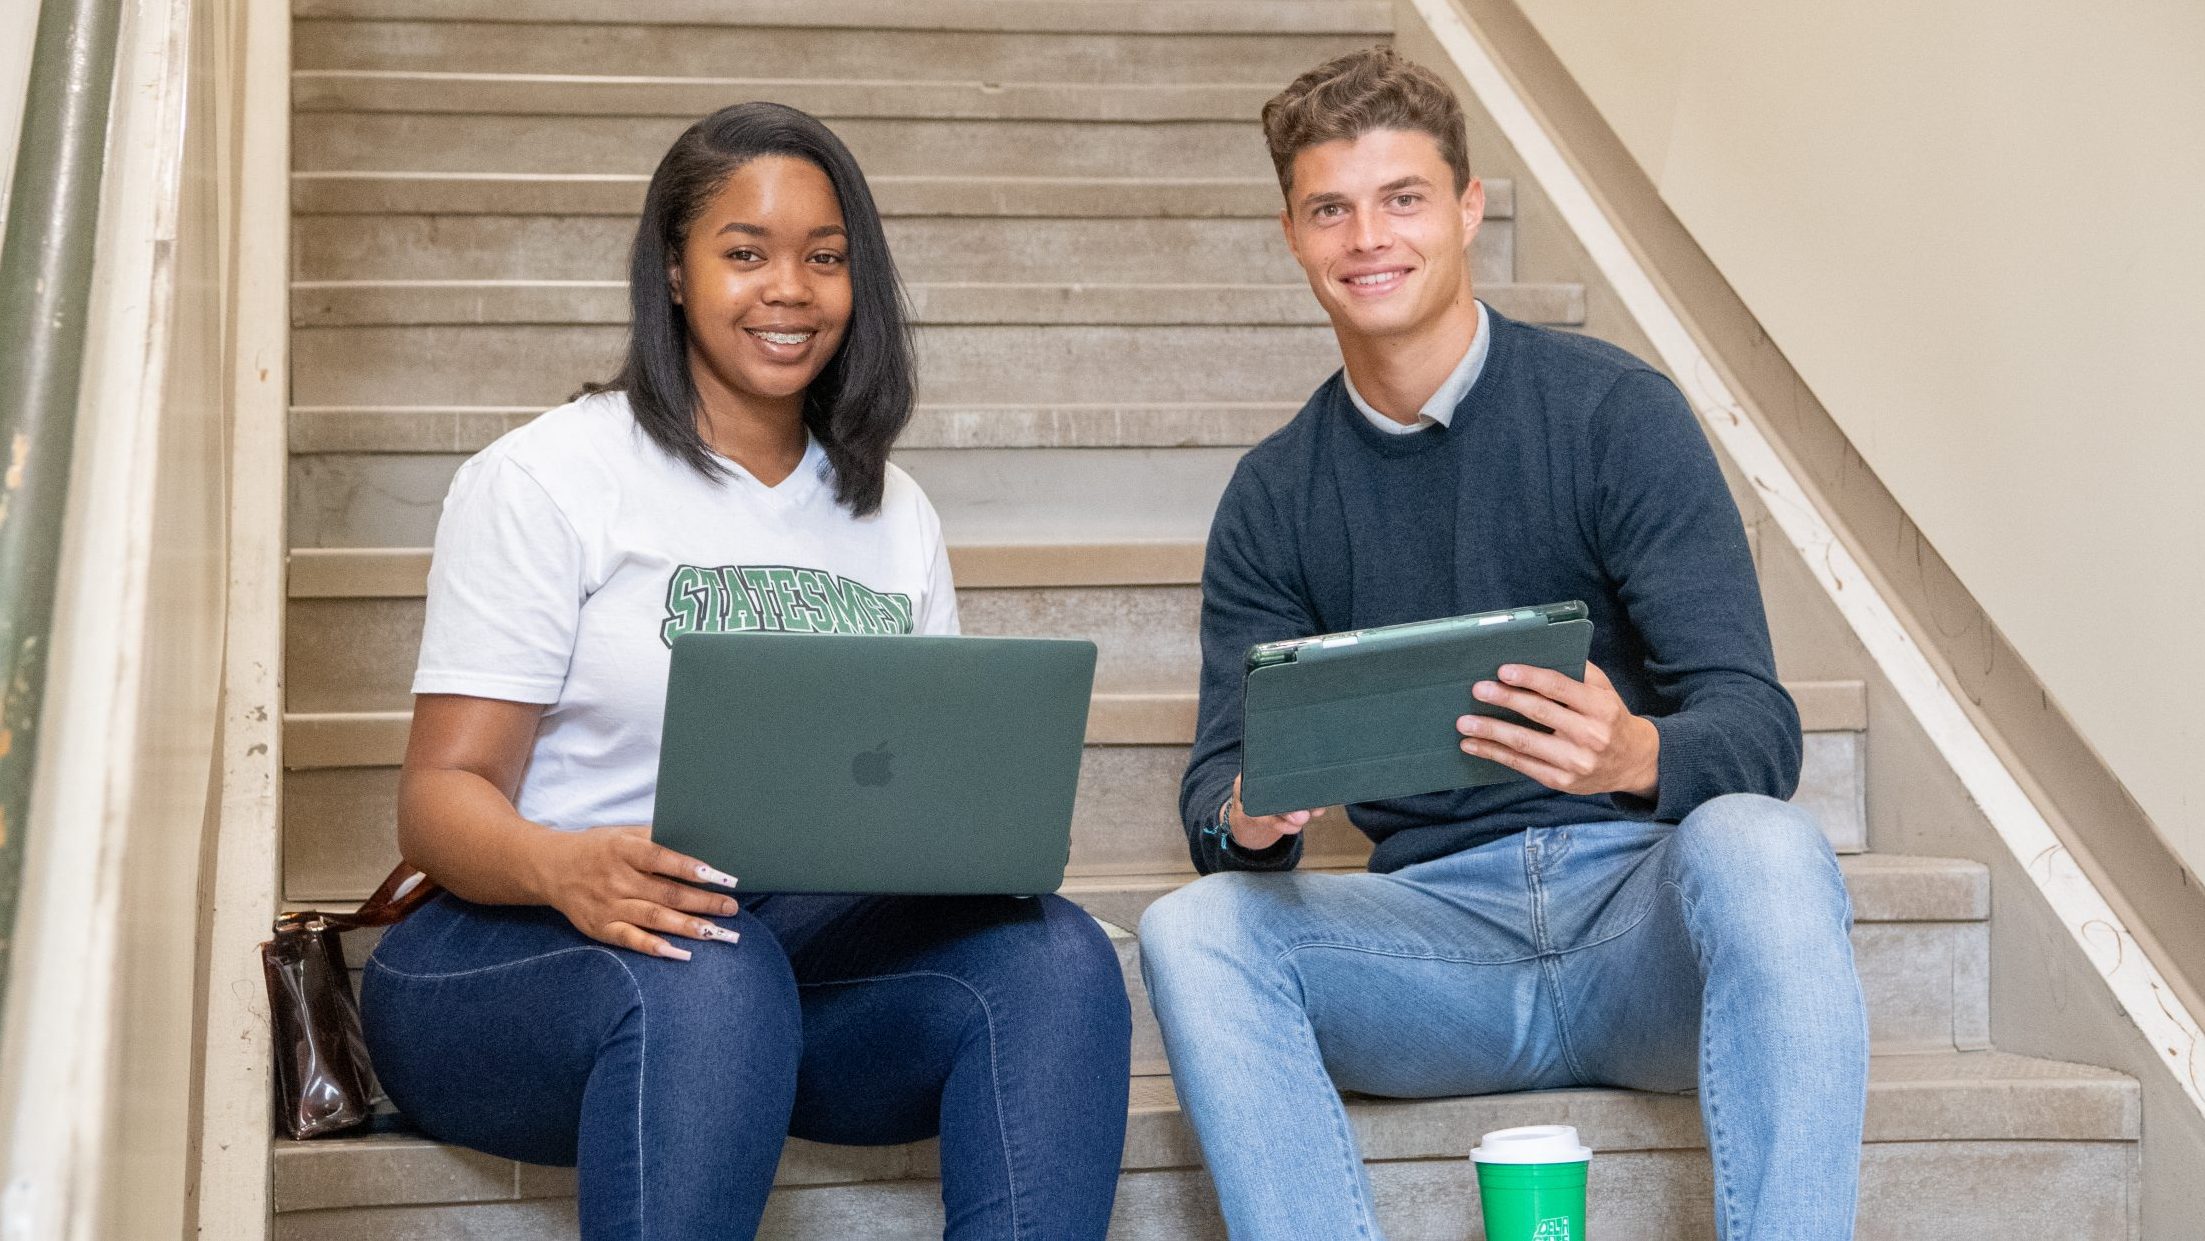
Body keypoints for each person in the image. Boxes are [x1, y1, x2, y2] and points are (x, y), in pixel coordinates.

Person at [360, 102, 1131, 1241]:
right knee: (708, 971)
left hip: (778, 957)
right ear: (673, 270)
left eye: (825, 257)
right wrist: (568, 867)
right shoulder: (546, 479)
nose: (792, 288)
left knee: (1058, 957)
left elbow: (916, 789)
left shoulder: (891, 509)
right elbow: (436, 802)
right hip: (525, 951)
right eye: (746, 252)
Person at [1137, 48, 1868, 1240]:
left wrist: (1634, 752)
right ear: (1292, 235)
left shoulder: (1613, 414)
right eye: (1332, 207)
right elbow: (1215, 796)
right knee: (1192, 926)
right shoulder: (1274, 495)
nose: (1369, 236)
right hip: (1431, 954)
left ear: (1469, 207)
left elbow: (1758, 724)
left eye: (1404, 198)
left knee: (1766, 846)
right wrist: (1253, 817)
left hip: (1639, 930)